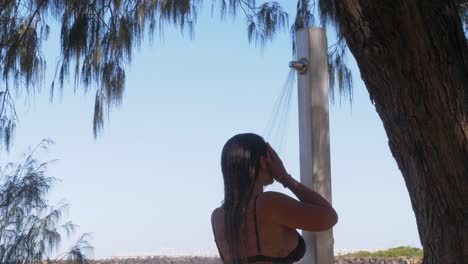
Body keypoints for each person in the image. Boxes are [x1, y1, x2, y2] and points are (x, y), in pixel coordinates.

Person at [211, 133, 338, 264]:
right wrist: (285, 178)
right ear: (263, 162)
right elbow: (329, 217)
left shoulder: (217, 217)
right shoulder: (270, 204)